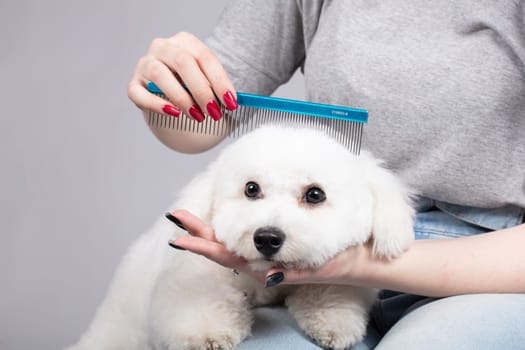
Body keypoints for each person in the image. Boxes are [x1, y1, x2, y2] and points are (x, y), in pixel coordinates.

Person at [127, 1, 525, 349]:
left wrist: (357, 264)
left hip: (491, 269)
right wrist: (170, 88)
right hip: (314, 262)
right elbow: (200, 119)